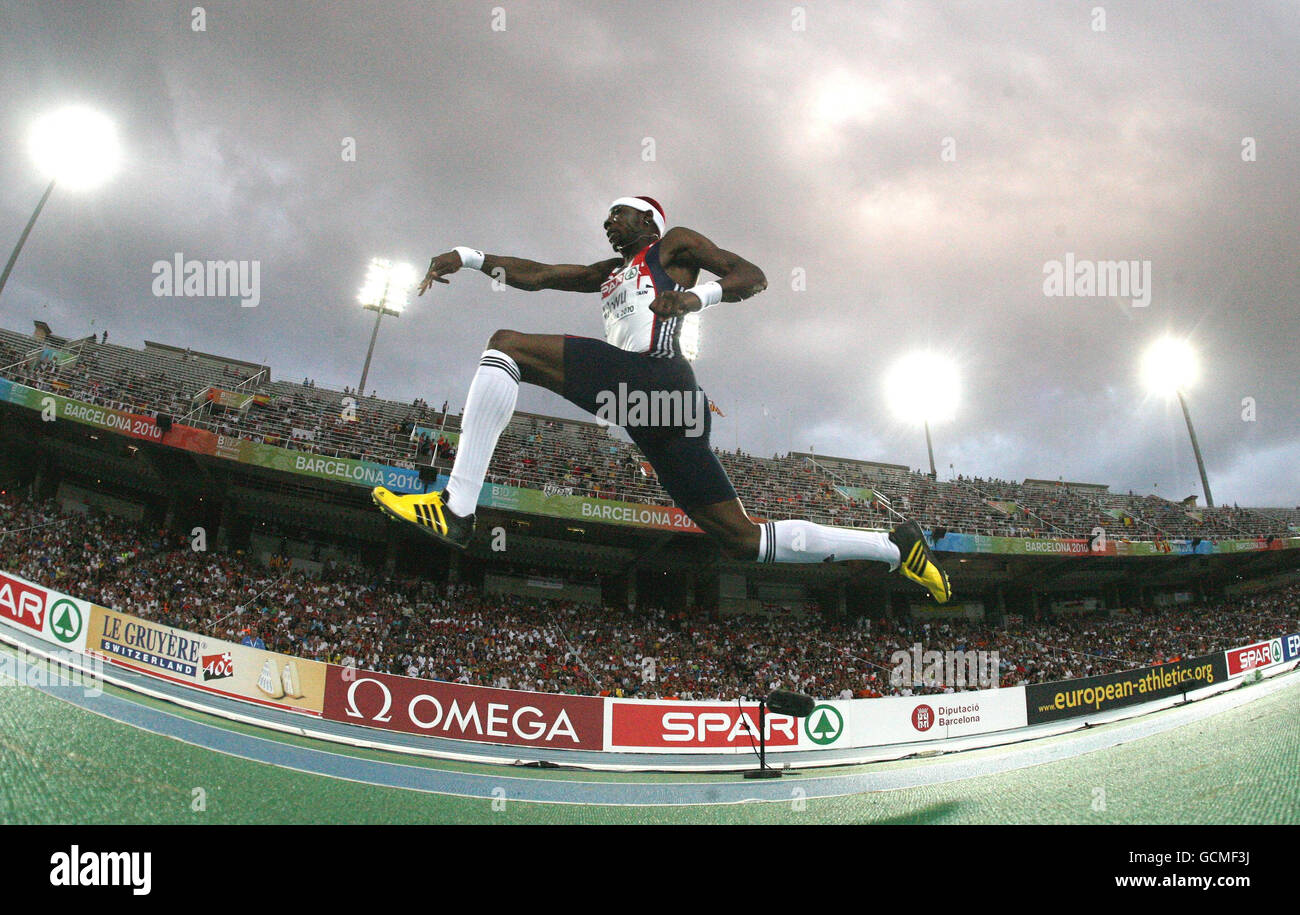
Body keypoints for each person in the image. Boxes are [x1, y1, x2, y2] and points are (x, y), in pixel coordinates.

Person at [372, 196, 950, 602]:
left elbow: (753, 275)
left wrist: (696, 300)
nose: (606, 224)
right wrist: (468, 257)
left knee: (507, 348)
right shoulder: (609, 271)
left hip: (657, 380)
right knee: (740, 540)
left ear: (647, 218)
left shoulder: (672, 246)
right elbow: (538, 274)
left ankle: (457, 508)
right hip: (659, 417)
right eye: (604, 218)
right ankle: (895, 548)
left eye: (615, 214)